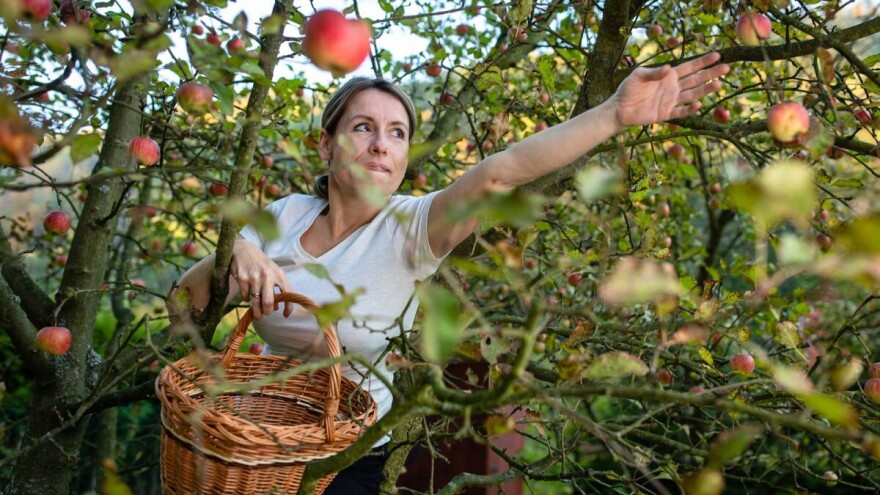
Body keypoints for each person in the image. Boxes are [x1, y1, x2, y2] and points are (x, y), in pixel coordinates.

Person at [167, 52, 729, 495]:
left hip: (345, 460)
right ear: (325, 145)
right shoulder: (284, 215)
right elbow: (183, 302)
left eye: (397, 133)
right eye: (362, 127)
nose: (380, 144)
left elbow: (499, 173)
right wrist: (234, 251)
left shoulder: (412, 229)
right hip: (252, 439)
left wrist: (614, 114)